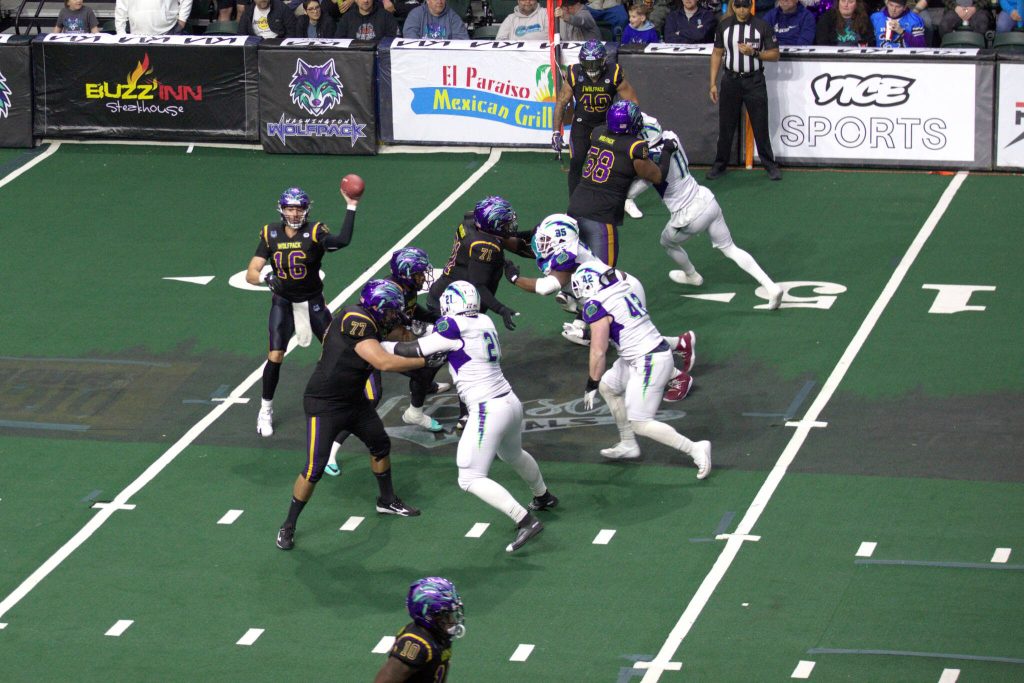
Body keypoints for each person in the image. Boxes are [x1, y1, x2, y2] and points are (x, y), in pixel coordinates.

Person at [387, 281, 557, 553]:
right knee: (513, 454)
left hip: (487, 408)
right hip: (509, 401)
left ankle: (525, 520)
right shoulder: (483, 322)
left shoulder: (452, 326)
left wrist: (375, 345)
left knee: (469, 476)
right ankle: (543, 495)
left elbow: (412, 351)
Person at [275, 280, 444, 550]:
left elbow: (402, 338)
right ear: (377, 308)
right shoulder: (356, 320)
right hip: (324, 403)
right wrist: (425, 360)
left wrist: (439, 341)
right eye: (390, 311)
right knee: (313, 468)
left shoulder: (370, 319)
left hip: (353, 399)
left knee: (380, 445)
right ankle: (288, 524)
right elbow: (384, 361)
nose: (393, 316)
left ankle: (386, 501)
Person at [504, 213, 697, 401]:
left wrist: (514, 278)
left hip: (619, 293)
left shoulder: (567, 256)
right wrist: (499, 240)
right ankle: (680, 343)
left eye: (546, 238)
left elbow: (547, 287)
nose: (541, 242)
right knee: (632, 339)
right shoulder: (560, 251)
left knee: (629, 346)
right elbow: (531, 250)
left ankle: (677, 377)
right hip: (610, 292)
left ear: (559, 240)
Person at [627, 114, 783, 309]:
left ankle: (692, 275)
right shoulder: (671, 136)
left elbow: (644, 183)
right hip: (707, 200)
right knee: (730, 248)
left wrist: (626, 192)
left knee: (666, 242)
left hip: (688, 214)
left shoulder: (651, 159)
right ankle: (771, 286)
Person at [571, 264, 712, 475]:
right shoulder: (620, 288)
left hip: (648, 360)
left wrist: (590, 382)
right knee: (608, 386)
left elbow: (599, 351)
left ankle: (695, 449)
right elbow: (618, 326)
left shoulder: (596, 305)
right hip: (642, 355)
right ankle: (628, 443)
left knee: (641, 422)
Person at [245, 186, 358, 438]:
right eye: (289, 208)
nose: (294, 213)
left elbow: (342, 241)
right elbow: (251, 272)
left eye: (298, 208)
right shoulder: (270, 233)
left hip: (313, 301)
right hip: (283, 302)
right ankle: (265, 408)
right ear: (281, 209)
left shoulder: (315, 231)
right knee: (275, 355)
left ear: (306, 209)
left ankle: (346, 398)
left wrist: (351, 206)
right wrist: (266, 276)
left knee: (337, 349)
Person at [427, 196, 528, 431]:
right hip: (455, 305)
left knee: (446, 355)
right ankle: (459, 412)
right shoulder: (485, 247)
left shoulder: (471, 222)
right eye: (503, 223)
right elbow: (478, 286)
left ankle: (422, 392)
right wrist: (502, 309)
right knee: (464, 359)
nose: (508, 227)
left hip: (450, 294)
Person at [566, 100, 671, 269]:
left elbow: (613, 148)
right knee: (604, 274)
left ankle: (569, 294)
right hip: (601, 215)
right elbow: (657, 177)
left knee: (578, 266)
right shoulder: (634, 147)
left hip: (575, 207)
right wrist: (667, 151)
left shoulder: (597, 133)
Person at [552, 39, 640, 198]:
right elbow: (561, 102)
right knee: (577, 162)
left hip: (607, 124)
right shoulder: (574, 73)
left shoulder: (614, 73)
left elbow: (632, 102)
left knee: (613, 163)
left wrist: (629, 126)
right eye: (587, 63)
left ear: (604, 60)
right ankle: (574, 203)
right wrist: (555, 132)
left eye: (595, 63)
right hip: (582, 123)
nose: (591, 68)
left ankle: (620, 198)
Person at [707, 0, 782, 181]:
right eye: (738, 6)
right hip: (731, 80)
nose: (742, 10)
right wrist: (712, 83)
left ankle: (769, 165)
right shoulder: (724, 26)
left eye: (745, 6)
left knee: (760, 125)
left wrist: (755, 53)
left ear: (750, 7)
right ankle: (720, 164)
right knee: (726, 126)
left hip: (754, 80)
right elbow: (717, 53)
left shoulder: (761, 25)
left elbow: (775, 54)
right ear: (733, 6)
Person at [374, 577, 464, 683]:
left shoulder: (439, 635)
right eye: (445, 616)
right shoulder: (416, 643)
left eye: (450, 615)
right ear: (428, 615)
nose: (452, 621)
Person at [401, 0, 470, 38]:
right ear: (427, 1)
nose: (439, 1)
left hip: (446, 59)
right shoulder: (415, 14)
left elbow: (462, 41)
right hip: (421, 57)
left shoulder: (454, 18)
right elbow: (410, 39)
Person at [115, 0, 191, 34]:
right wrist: (121, 33)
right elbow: (121, 7)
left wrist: (182, 20)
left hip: (169, 32)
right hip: (137, 35)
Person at [334, 0, 399, 38]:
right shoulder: (347, 18)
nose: (366, 1)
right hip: (353, 57)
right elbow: (339, 41)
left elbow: (394, 40)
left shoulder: (386, 16)